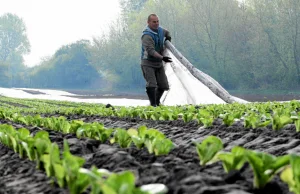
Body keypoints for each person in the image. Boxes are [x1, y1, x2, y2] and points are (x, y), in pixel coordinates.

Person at [141, 13, 172, 107]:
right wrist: (163, 58)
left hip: (158, 63)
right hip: (147, 62)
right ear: (148, 22)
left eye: (157, 21)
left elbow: (168, 33)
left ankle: (157, 102)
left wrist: (168, 41)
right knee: (152, 84)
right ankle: (153, 104)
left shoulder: (161, 30)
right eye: (154, 22)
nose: (156, 23)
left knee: (164, 85)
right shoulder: (146, 35)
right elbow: (151, 51)